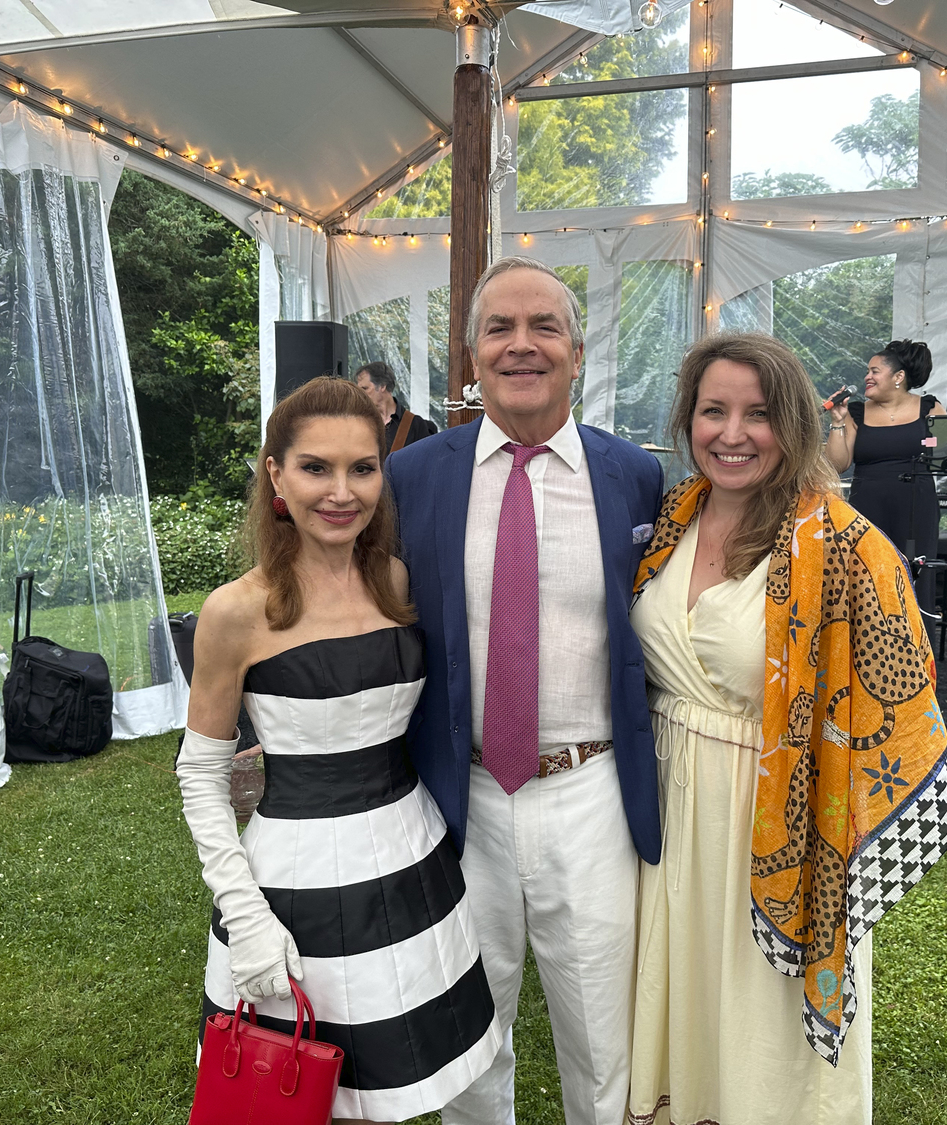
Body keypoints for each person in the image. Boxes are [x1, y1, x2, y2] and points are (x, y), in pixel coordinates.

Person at [627, 332, 947, 1125]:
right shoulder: (673, 515)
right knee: (681, 1007)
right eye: (714, 410)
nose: (732, 433)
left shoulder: (844, 544)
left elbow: (904, 704)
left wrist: (845, 842)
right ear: (689, 418)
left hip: (783, 824)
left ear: (797, 426)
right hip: (672, 814)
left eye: (759, 413)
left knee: (766, 1040)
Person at [176, 376, 501, 1125]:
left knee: (407, 1075)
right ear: (275, 473)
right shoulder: (235, 610)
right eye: (316, 467)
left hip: (412, 861)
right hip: (294, 884)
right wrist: (242, 910)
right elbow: (199, 773)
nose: (341, 490)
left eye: (362, 467)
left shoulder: (398, 583)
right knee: (300, 1095)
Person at [385, 256, 664, 1125]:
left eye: (543, 326)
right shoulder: (414, 477)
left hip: (592, 793)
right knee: (467, 1036)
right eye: (499, 329)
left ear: (577, 351)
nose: (521, 345)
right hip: (459, 796)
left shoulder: (637, 478)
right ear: (469, 357)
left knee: (603, 1039)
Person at [825, 339, 947, 611]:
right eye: (868, 371)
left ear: (898, 377)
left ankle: (916, 650)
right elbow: (837, 464)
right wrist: (836, 423)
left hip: (917, 507)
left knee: (915, 579)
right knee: (866, 579)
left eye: (874, 371)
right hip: (867, 506)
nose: (867, 377)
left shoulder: (929, 408)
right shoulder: (856, 412)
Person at [355, 361, 438, 452]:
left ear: (382, 386)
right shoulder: (358, 421)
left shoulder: (415, 425)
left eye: (364, 389)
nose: (360, 394)